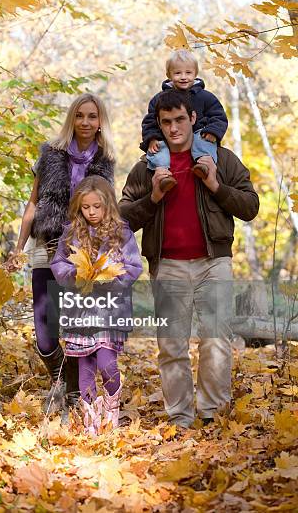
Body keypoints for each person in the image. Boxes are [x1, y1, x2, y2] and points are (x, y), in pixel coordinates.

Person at [119, 90, 259, 429]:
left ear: (193, 118)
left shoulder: (221, 159)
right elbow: (122, 218)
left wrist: (214, 185)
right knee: (171, 346)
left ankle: (211, 415)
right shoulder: (148, 166)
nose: (173, 128)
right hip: (167, 265)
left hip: (214, 262)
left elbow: (250, 207)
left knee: (216, 340)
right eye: (165, 122)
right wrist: (153, 196)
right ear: (159, 125)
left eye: (180, 119)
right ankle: (180, 418)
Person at [5, 93, 115, 420]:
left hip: (83, 252)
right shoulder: (51, 154)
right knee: (44, 334)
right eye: (80, 115)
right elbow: (32, 203)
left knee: (78, 330)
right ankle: (62, 377)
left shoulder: (104, 161)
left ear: (99, 121)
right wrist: (18, 247)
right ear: (72, 118)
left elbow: (107, 210)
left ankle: (73, 396)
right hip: (47, 246)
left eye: (92, 116)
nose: (85, 122)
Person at [51, 176, 142, 435]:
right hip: (79, 309)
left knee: (106, 362)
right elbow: (59, 264)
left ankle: (111, 409)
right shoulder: (70, 233)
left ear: (108, 205)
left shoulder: (122, 233)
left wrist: (112, 280)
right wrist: (74, 276)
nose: (91, 212)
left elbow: (134, 266)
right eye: (86, 207)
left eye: (96, 206)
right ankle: (91, 419)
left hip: (110, 309)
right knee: (85, 366)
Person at [140, 49, 228, 191]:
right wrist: (151, 139)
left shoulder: (205, 97)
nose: (183, 77)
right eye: (177, 73)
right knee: (158, 151)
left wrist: (212, 131)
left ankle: (204, 167)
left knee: (203, 143)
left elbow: (218, 116)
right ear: (168, 75)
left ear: (195, 73)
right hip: (169, 140)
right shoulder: (159, 99)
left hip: (201, 134)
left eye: (188, 73)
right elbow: (150, 121)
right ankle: (163, 177)